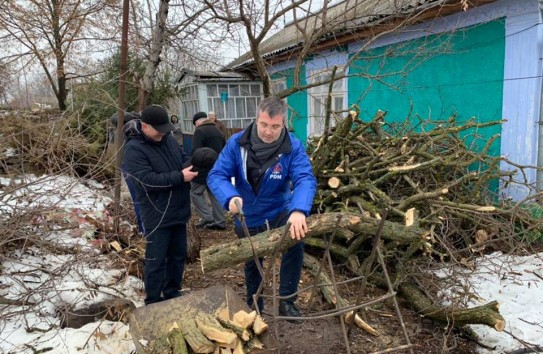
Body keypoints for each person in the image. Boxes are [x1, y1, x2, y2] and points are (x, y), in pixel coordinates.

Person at [207, 96, 317, 321]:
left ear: (283, 124)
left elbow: (305, 178)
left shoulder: (292, 146)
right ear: (256, 120)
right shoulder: (236, 143)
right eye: (264, 124)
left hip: (279, 209)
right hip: (247, 213)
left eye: (275, 126)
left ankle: (287, 301)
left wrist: (299, 210)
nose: (269, 131)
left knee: (295, 242)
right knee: (253, 261)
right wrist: (230, 197)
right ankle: (255, 303)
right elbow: (217, 175)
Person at [122, 104, 197, 305]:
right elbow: (147, 181)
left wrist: (193, 163)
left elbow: (181, 159)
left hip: (179, 210)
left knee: (177, 256)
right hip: (157, 213)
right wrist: (180, 176)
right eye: (159, 129)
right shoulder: (133, 150)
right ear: (145, 126)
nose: (164, 132)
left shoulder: (169, 140)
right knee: (156, 260)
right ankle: (153, 300)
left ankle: (172, 291)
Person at [191, 111, 227, 230]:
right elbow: (224, 149)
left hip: (202, 168)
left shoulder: (200, 131)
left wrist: (192, 167)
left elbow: (197, 152)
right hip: (217, 168)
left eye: (195, 124)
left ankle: (208, 217)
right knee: (214, 194)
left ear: (197, 122)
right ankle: (220, 221)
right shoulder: (218, 131)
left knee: (195, 192)